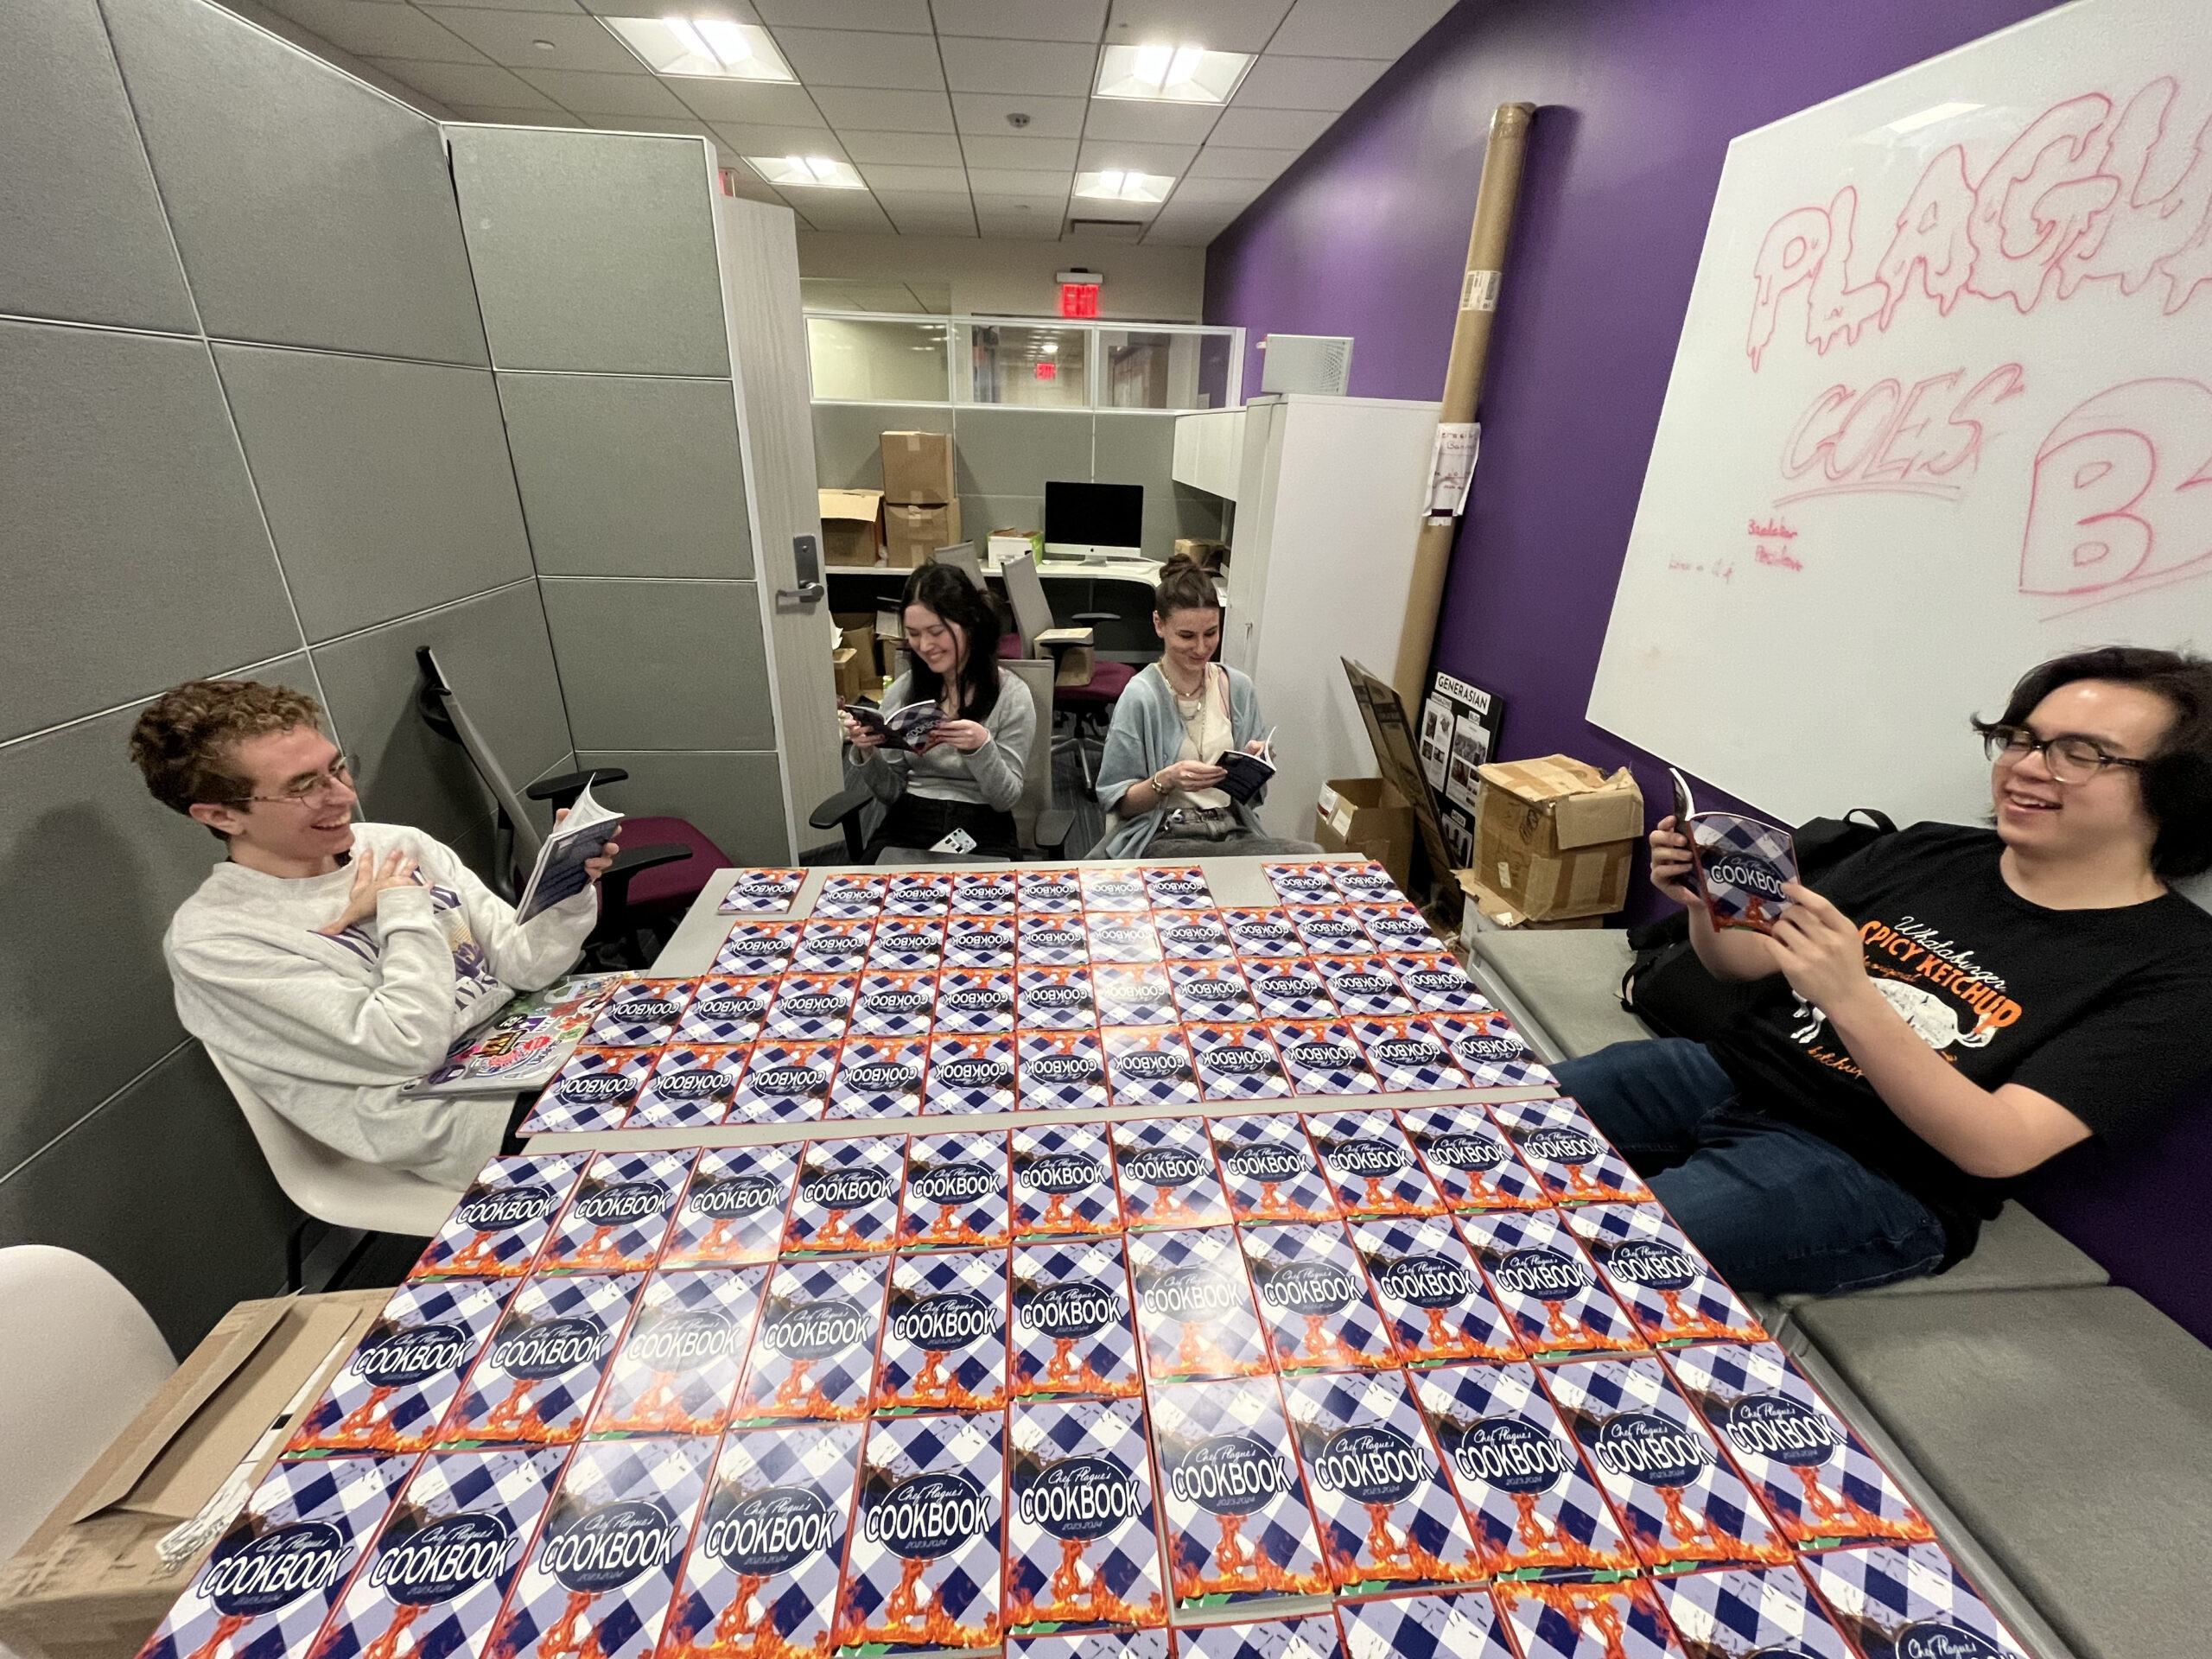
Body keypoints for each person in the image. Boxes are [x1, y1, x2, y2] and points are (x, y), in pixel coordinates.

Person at [1559, 646, 2212, 1295]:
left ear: (2179, 787)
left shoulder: (2181, 969)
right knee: (1474, 1129)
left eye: (2081, 753)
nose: (2026, 768)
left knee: (1560, 1257)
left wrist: (1851, 996)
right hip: (1727, 1073)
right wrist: (1704, 902)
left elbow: (1999, 1146)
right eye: (2023, 740)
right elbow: (1742, 964)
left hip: (1875, 1171)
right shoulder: (1927, 851)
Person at [130, 679, 619, 1186]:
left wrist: (565, 888)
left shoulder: (395, 845)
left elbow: (526, 965)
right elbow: (408, 1047)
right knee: (674, 1134)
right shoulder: (216, 941)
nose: (344, 796)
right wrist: (402, 908)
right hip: (464, 1120)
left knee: (700, 1068)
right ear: (221, 815)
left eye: (336, 768)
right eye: (303, 786)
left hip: (534, 1046)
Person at [1092, 554, 1323, 859]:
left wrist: (1256, 766)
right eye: (1187, 636)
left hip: (1232, 829)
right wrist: (1167, 780)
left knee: (1310, 859)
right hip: (1165, 834)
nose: (1201, 648)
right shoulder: (1141, 696)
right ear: (1159, 624)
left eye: (1211, 633)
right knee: (1223, 880)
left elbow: (1251, 800)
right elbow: (1120, 802)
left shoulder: (1237, 688)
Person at [841, 562, 1035, 859]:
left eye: (936, 631)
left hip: (984, 818)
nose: (925, 645)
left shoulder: (1012, 695)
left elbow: (1004, 799)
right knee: (876, 893)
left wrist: (981, 747)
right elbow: (892, 793)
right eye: (914, 634)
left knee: (986, 900)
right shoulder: (905, 690)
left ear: (969, 625)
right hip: (912, 813)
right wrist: (868, 755)